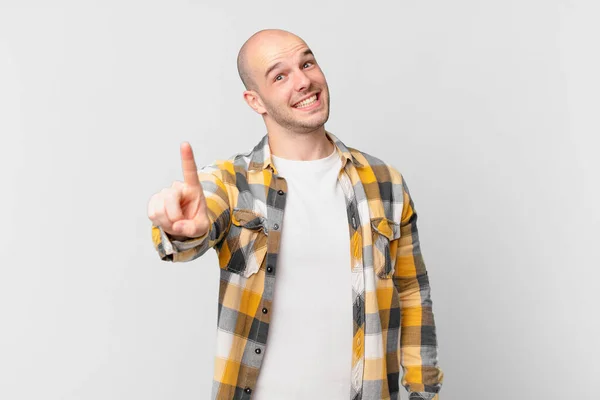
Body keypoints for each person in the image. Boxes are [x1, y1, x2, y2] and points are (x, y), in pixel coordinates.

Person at [148, 29, 444, 400]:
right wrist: (181, 231)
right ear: (255, 100)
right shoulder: (229, 183)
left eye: (307, 63)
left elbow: (414, 294)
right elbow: (189, 234)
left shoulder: (384, 182)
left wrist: (423, 392)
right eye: (280, 75)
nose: (304, 81)